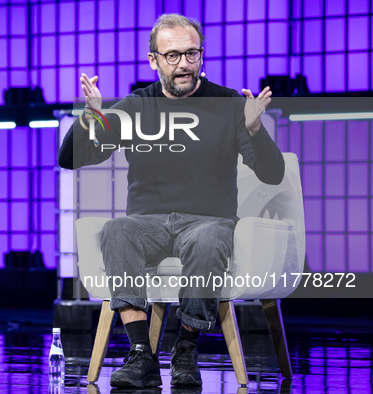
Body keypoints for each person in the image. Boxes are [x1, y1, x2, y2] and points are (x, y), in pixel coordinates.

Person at [57, 14, 284, 388]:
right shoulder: (136, 106)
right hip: (148, 222)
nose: (183, 65)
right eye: (173, 56)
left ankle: (186, 348)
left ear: (202, 55)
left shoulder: (228, 105)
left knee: (209, 240)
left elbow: (272, 174)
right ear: (153, 59)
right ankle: (140, 354)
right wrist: (88, 119)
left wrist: (255, 131)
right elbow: (71, 159)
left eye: (191, 54)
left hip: (208, 220)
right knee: (116, 230)